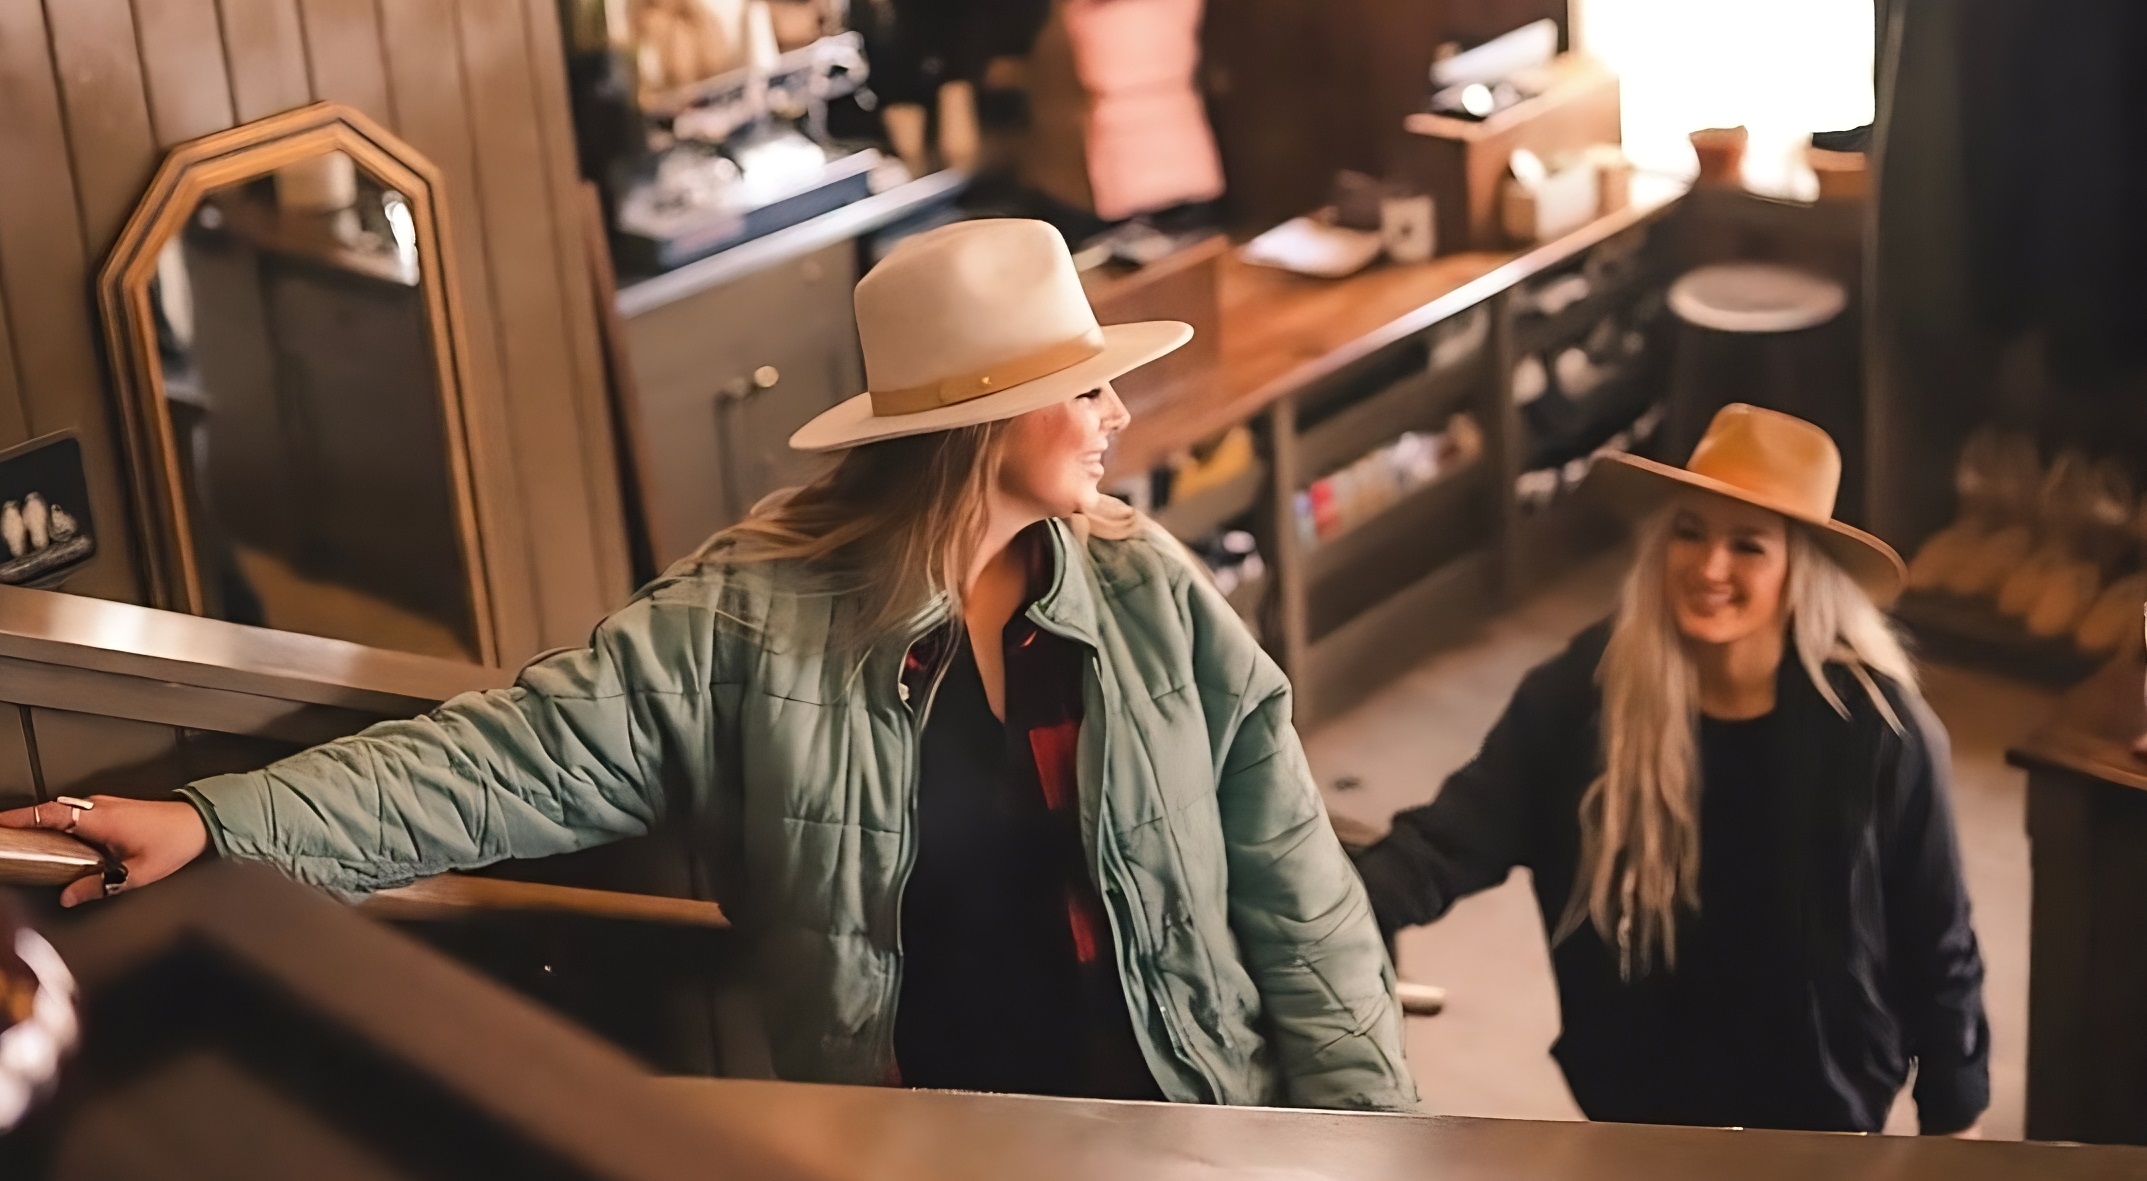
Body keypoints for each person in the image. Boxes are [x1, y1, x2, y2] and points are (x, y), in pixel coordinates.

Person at [2, 219, 1414, 1112]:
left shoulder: (1149, 593)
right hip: (926, 1141)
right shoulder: (749, 620)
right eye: (1081, 384)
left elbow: (1299, 898)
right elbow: (502, 761)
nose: (1114, 411)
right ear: (987, 419)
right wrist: (219, 820)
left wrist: (1377, 1141)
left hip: (1184, 1121)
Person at [1351, 404, 1988, 1135]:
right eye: (1690, 532)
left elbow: (1937, 937)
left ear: (1799, 571)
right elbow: (1446, 843)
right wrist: (1314, 916)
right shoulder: (1583, 693)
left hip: (1819, 1117)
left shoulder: (1878, 732)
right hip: (1639, 1110)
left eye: (1747, 546)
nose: (1709, 567)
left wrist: (1955, 1120)